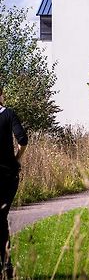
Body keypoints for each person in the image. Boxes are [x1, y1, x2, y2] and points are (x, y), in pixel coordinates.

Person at [0, 87, 28, 278]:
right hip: (7, 176)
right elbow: (23, 140)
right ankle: (6, 264)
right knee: (1, 217)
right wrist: (17, 158)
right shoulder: (8, 114)